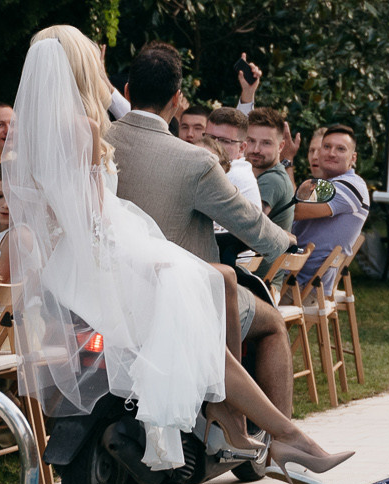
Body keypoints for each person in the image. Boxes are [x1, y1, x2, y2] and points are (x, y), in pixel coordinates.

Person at [8, 26, 349, 484]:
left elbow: (60, 215)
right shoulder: (90, 129)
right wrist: (144, 262)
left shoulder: (36, 134)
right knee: (206, 311)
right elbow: (96, 220)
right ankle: (278, 434)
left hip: (69, 266)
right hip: (108, 258)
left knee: (213, 294)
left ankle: (249, 428)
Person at [110, 42, 303, 426]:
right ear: (177, 99)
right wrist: (285, 241)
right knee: (272, 325)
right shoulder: (195, 160)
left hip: (107, 297)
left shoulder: (97, 143)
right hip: (175, 297)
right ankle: (280, 440)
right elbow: (251, 224)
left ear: (128, 91)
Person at [293, 125, 370, 290]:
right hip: (294, 279)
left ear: (353, 158)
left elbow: (293, 210)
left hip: (297, 286)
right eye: (327, 147)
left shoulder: (350, 186)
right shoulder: (330, 184)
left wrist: (286, 162)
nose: (331, 153)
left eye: (341, 149)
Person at [203, 106, 261, 265]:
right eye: (210, 138)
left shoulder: (232, 172)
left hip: (230, 262)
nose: (214, 145)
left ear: (242, 148)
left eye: (224, 141)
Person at [245, 106, 296, 231]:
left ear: (281, 146)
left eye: (266, 143)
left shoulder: (273, 180)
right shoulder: (251, 174)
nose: (256, 149)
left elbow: (247, 224)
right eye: (251, 141)